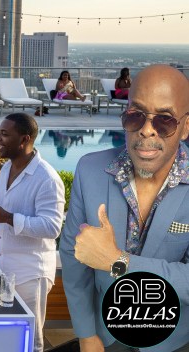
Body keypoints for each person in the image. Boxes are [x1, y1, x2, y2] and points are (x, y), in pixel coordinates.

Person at [61, 65, 189, 352]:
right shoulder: (90, 170)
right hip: (106, 337)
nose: (146, 129)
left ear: (185, 127)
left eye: (164, 120)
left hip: (173, 341)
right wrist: (86, 333)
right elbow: (72, 256)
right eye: (136, 114)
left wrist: (116, 262)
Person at [0, 113, 65, 352]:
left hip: (30, 273)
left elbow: (52, 227)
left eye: (4, 134)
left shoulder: (47, 179)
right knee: (5, 335)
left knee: (31, 339)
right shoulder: (6, 168)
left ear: (24, 139)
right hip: (3, 267)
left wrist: (7, 217)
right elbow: (5, 215)